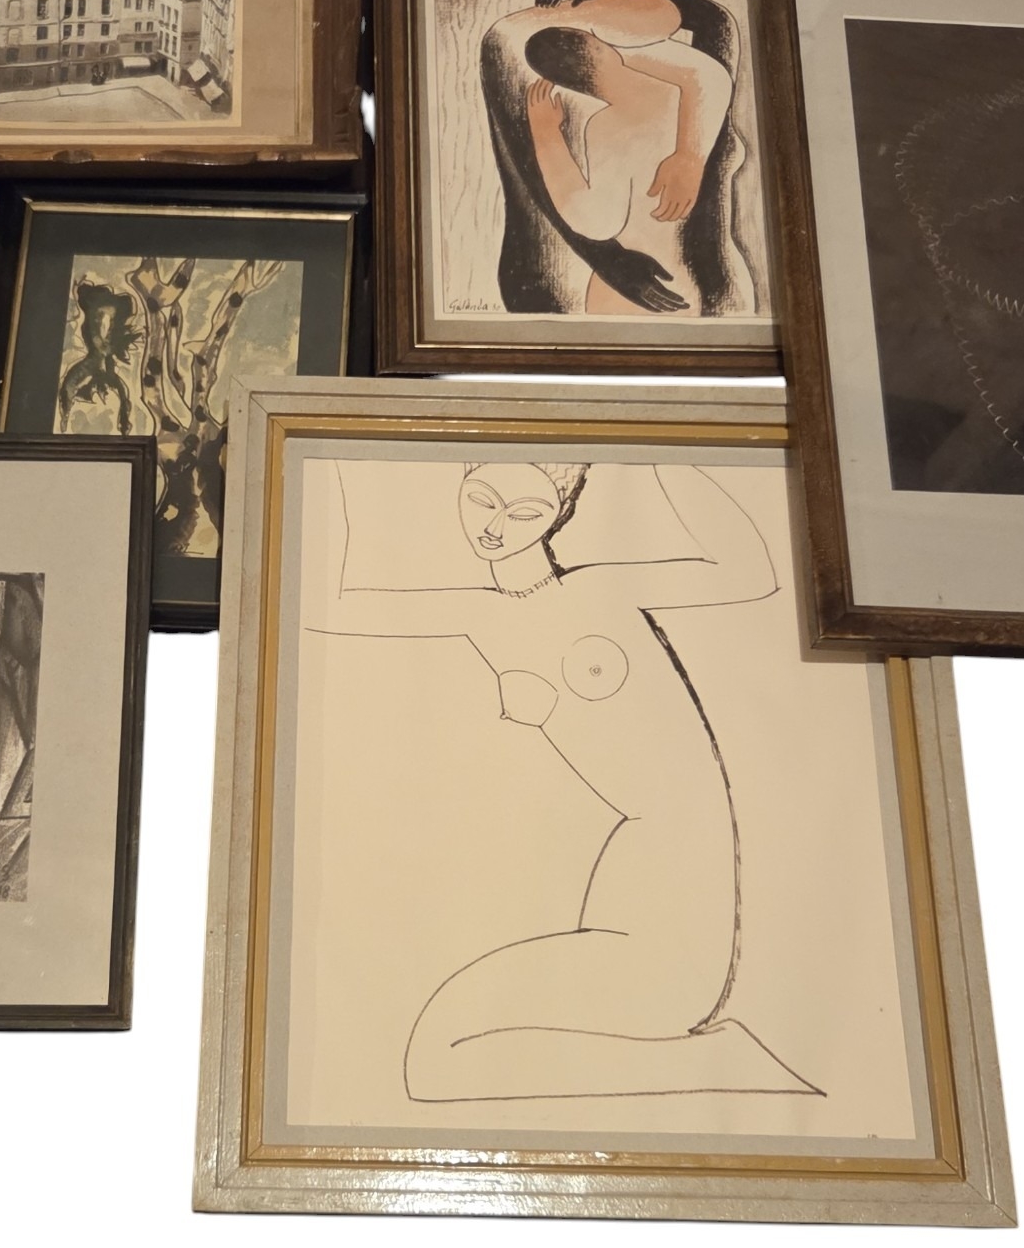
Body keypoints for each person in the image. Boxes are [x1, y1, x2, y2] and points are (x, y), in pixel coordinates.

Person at [309, 459, 810, 1101]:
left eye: (525, 512)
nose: (495, 526)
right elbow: (329, 602)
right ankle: (717, 1062)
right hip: (626, 895)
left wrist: (665, 451)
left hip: (681, 910)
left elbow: (750, 570)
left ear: (560, 514)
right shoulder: (479, 612)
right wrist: (332, 466)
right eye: (481, 499)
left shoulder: (602, 587)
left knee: (437, 1061)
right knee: (437, 1060)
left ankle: (728, 1065)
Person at [480, 0, 751, 319]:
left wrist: (547, 135)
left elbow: (593, 221)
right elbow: (706, 73)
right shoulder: (676, 94)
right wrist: (689, 156)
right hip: (649, 289)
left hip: (670, 285)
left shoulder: (614, 120)